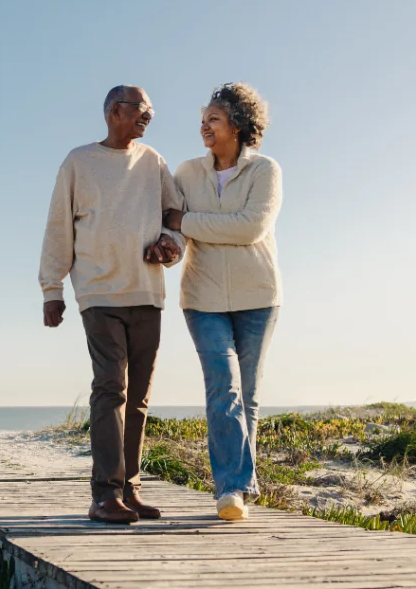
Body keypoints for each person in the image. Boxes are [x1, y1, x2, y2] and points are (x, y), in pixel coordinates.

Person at [39, 85, 184, 524]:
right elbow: (58, 226)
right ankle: (104, 494)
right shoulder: (79, 162)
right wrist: (52, 289)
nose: (149, 116)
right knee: (110, 389)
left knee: (137, 398)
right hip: (99, 295)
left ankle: (129, 490)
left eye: (151, 110)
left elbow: (174, 214)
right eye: (142, 109)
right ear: (113, 112)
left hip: (147, 293)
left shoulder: (153, 161)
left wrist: (170, 242)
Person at [163, 82, 282, 521]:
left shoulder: (266, 170)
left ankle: (241, 486)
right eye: (202, 119)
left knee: (247, 395)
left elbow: (250, 227)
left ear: (238, 123)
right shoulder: (186, 173)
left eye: (213, 118)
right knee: (223, 388)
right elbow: (173, 227)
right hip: (203, 296)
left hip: (259, 297)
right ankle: (230, 489)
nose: (204, 126)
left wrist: (189, 220)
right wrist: (171, 241)